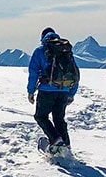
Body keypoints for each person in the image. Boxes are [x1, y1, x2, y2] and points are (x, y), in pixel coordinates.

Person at [27, 28, 80, 156]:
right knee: (58, 118)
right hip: (64, 90)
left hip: (47, 90)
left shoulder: (41, 51)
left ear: (43, 38)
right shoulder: (65, 51)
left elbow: (33, 72)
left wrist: (31, 91)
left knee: (41, 116)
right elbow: (75, 73)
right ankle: (65, 145)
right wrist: (71, 93)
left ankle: (56, 141)